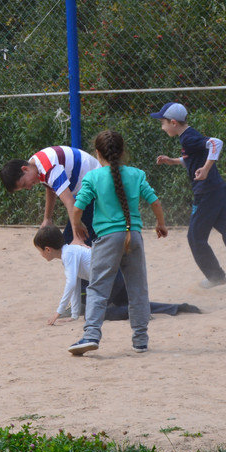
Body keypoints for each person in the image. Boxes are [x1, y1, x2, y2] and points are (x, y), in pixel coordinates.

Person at [65, 130, 169, 356]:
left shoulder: (93, 177)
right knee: (138, 289)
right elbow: (155, 202)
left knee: (98, 288)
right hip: (134, 235)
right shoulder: (137, 174)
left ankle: (92, 334)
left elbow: (77, 207)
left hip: (107, 239)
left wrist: (77, 226)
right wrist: (161, 224)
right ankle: (140, 339)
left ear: (98, 153)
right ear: (123, 152)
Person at [151, 102, 226, 292]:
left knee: (195, 237)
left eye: (163, 122)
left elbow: (216, 143)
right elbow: (195, 159)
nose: (162, 127)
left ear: (174, 122)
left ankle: (215, 276)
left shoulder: (188, 138)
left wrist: (206, 169)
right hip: (216, 190)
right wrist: (174, 161)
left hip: (207, 193)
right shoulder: (188, 137)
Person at [33, 224, 199, 324]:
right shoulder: (69, 253)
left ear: (48, 249)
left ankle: (139, 313)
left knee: (101, 313)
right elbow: (75, 285)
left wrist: (58, 312)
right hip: (115, 277)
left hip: (112, 280)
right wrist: (74, 315)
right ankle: (176, 308)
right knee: (133, 303)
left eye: (40, 251)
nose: (41, 254)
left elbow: (70, 284)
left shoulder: (68, 255)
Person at [1, 145, 101, 246]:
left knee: (76, 243)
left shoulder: (49, 168)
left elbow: (70, 202)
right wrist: (47, 218)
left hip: (97, 187)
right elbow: (51, 189)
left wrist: (77, 238)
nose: (28, 188)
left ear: (25, 169)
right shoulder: (35, 163)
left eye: (24, 184)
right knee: (70, 242)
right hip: (90, 189)